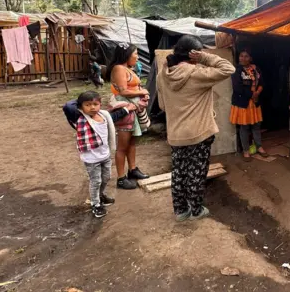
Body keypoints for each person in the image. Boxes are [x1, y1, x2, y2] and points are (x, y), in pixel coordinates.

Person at [157, 35, 235, 221]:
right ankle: (197, 210)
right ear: (194, 54)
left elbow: (162, 106)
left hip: (176, 133)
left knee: (179, 172)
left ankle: (181, 211)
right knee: (197, 171)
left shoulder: (163, 75)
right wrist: (205, 58)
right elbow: (228, 68)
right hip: (199, 132)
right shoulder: (197, 74)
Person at [107, 43, 150, 189]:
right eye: (135, 53)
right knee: (122, 146)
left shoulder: (127, 68)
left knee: (132, 141)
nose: (137, 56)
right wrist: (142, 92)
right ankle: (121, 178)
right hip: (125, 109)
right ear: (127, 54)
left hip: (132, 109)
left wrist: (142, 91)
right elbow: (123, 91)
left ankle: (132, 170)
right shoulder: (119, 68)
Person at [74, 91, 117, 218]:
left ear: (100, 104)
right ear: (81, 107)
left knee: (106, 177)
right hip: (91, 159)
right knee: (96, 181)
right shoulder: (81, 119)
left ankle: (100, 195)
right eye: (87, 105)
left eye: (95, 104)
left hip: (105, 155)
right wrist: (79, 105)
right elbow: (68, 106)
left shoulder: (104, 115)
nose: (92, 107)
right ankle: (95, 204)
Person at [230, 49, 269, 161]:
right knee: (244, 127)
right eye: (241, 56)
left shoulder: (256, 69)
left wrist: (257, 93)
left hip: (255, 102)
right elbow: (238, 88)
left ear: (250, 58)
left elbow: (262, 83)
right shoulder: (236, 71)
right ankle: (246, 150)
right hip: (243, 103)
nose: (243, 58)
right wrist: (253, 94)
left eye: (246, 56)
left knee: (256, 125)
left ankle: (259, 146)